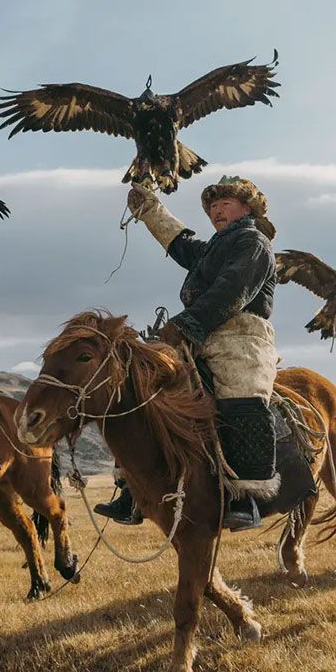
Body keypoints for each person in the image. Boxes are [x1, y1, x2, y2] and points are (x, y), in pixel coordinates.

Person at [96, 175, 281, 531]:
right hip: (194, 334)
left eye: (225, 202)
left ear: (248, 207)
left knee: (239, 394)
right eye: (212, 205)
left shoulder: (254, 242)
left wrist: (183, 325)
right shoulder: (214, 247)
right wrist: (149, 207)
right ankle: (133, 491)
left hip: (239, 336)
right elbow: (181, 242)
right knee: (145, 392)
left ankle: (245, 497)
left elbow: (231, 292)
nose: (216, 210)